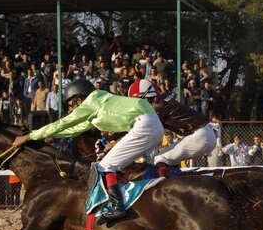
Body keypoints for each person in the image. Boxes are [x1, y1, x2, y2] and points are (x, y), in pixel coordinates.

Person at [12, 78, 163, 221]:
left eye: (71, 105)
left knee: (105, 166)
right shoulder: (100, 102)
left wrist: (30, 136)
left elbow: (64, 122)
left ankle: (117, 207)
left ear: (79, 99)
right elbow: (75, 130)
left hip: (143, 125)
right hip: (153, 124)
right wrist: (51, 135)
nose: (71, 109)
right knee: (150, 165)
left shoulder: (91, 102)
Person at [129, 78, 217, 175]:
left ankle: (174, 184)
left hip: (200, 135)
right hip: (204, 133)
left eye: (138, 101)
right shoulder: (160, 101)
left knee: (159, 159)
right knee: (166, 159)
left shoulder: (158, 105)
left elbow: (145, 129)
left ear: (145, 97)